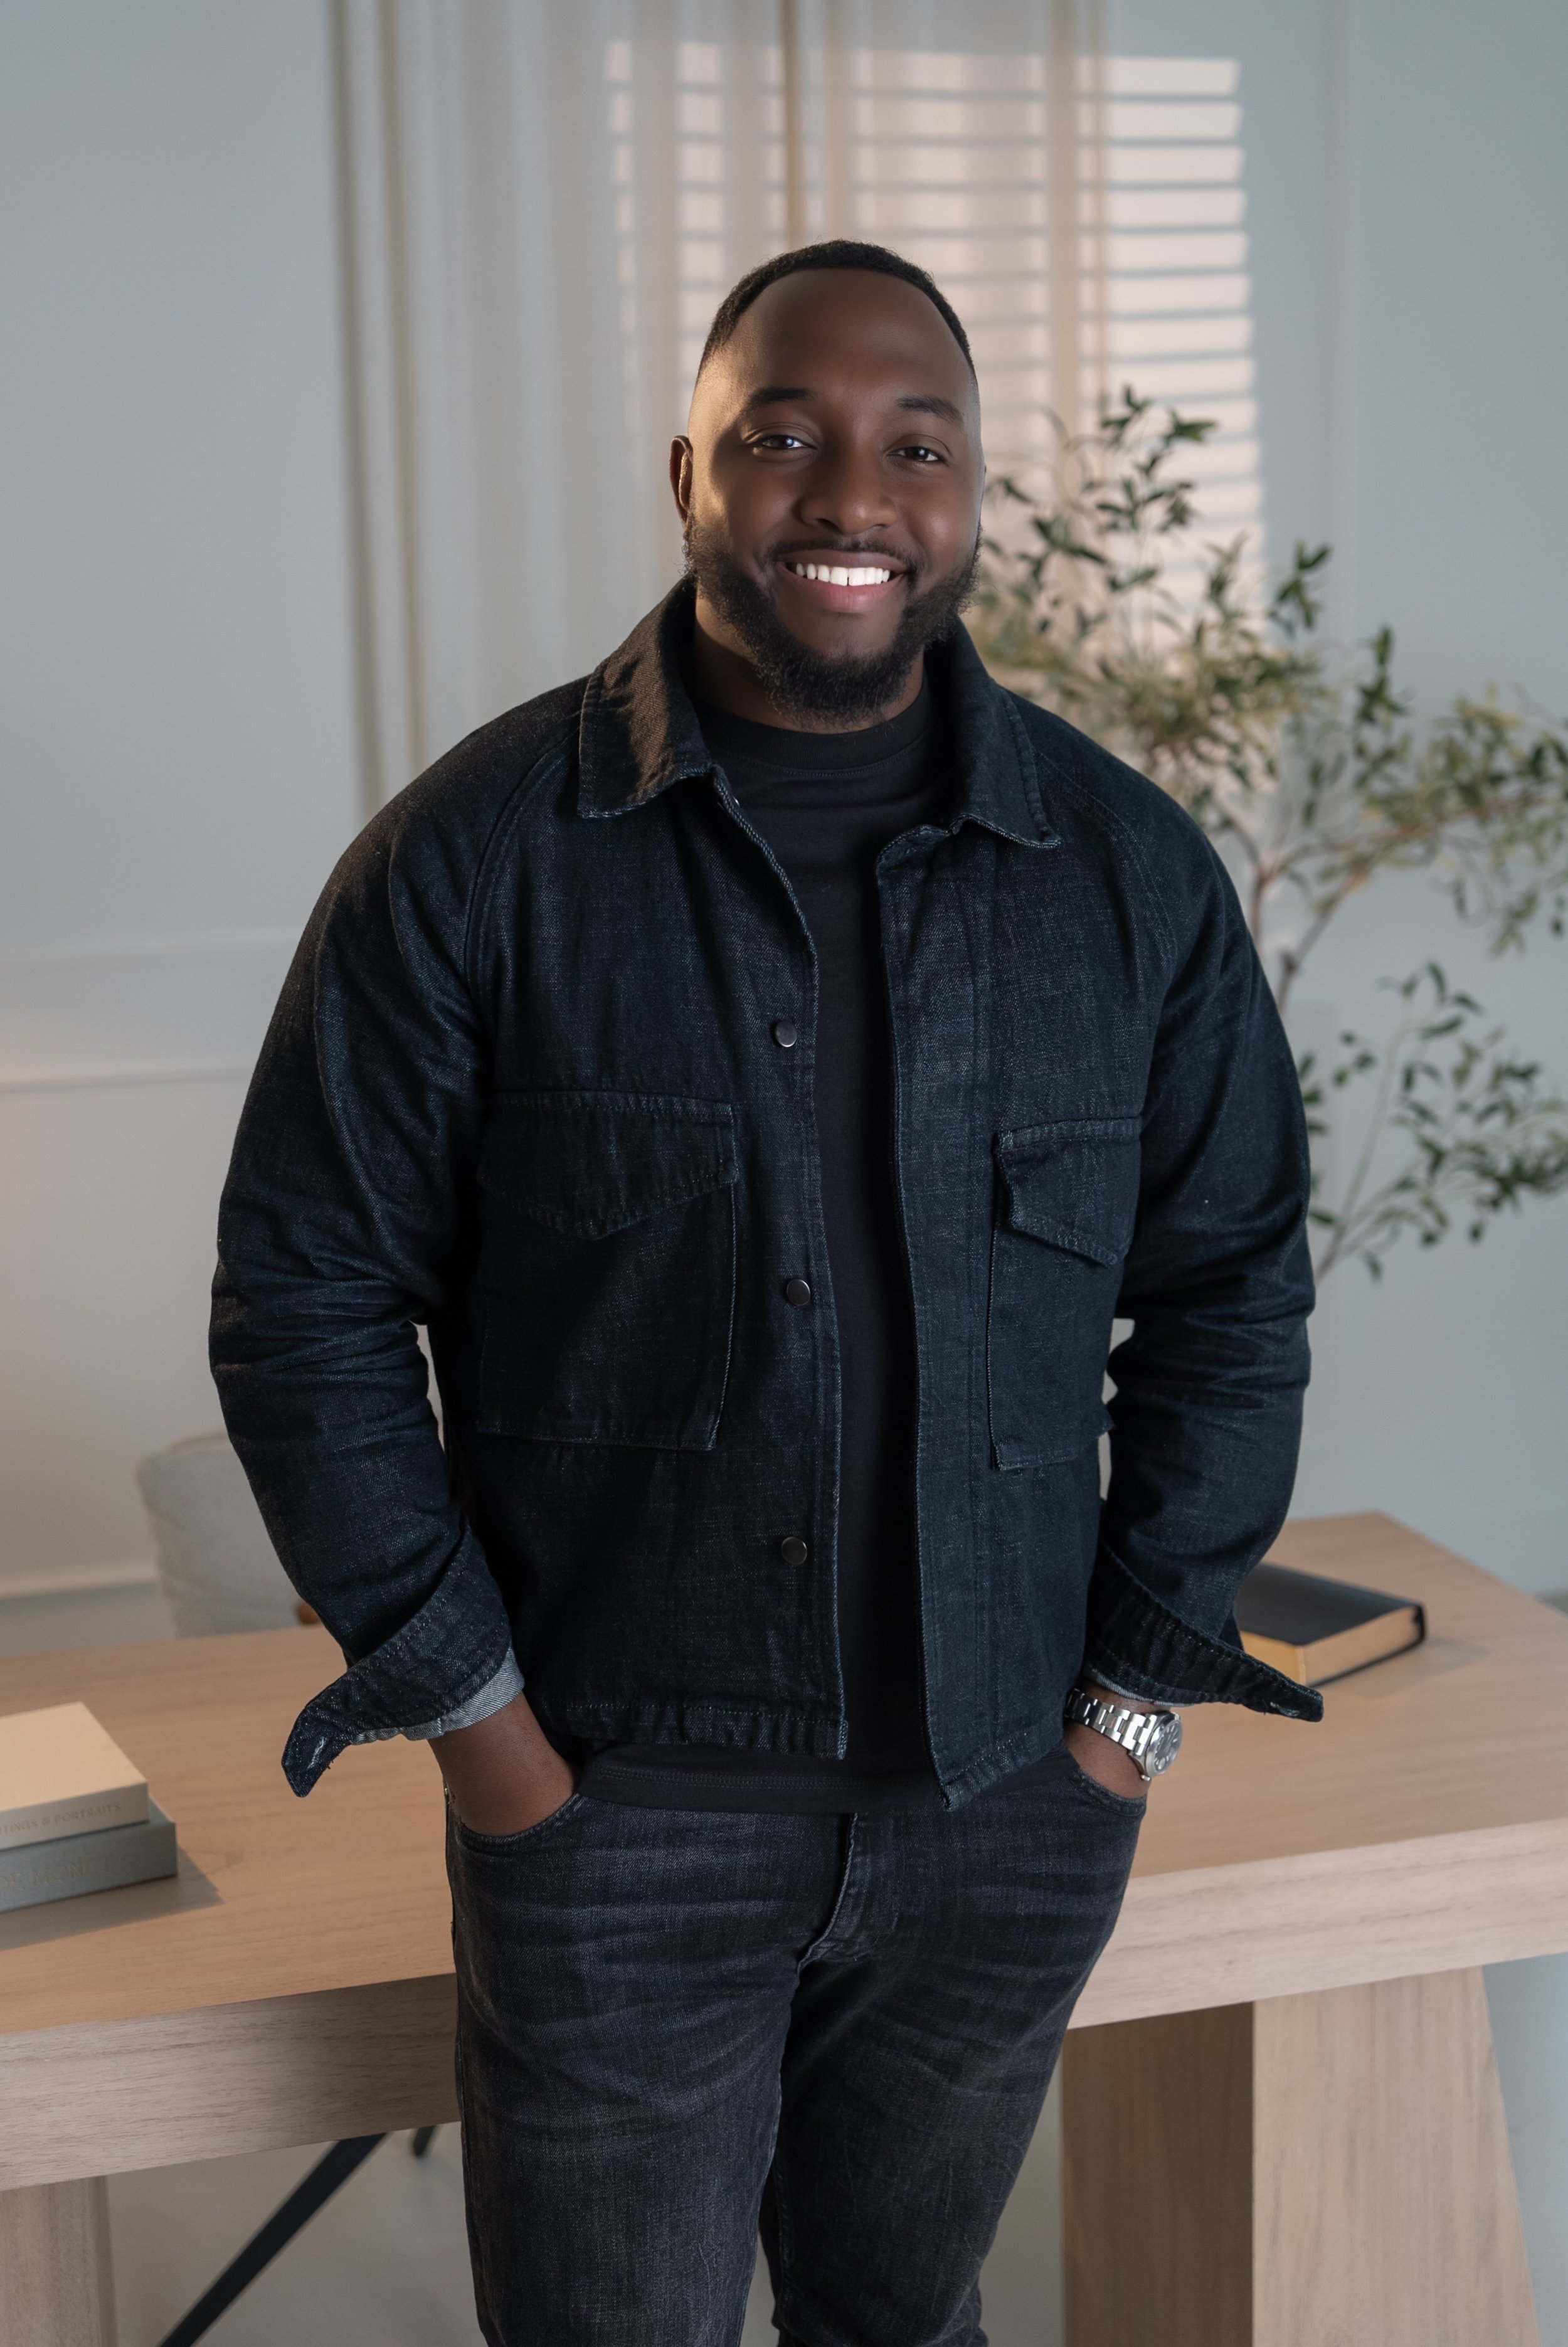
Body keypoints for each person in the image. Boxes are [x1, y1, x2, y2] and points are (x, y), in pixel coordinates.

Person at [211, 240, 1320, 2347]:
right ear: (689, 472)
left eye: (915, 445)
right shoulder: (475, 861)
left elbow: (1231, 1294)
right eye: (783, 437)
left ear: (972, 492)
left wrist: (1122, 1718)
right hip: (615, 1818)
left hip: (1010, 1808)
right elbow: (307, 1303)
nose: (850, 496)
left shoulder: (1124, 876)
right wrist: (486, 1738)